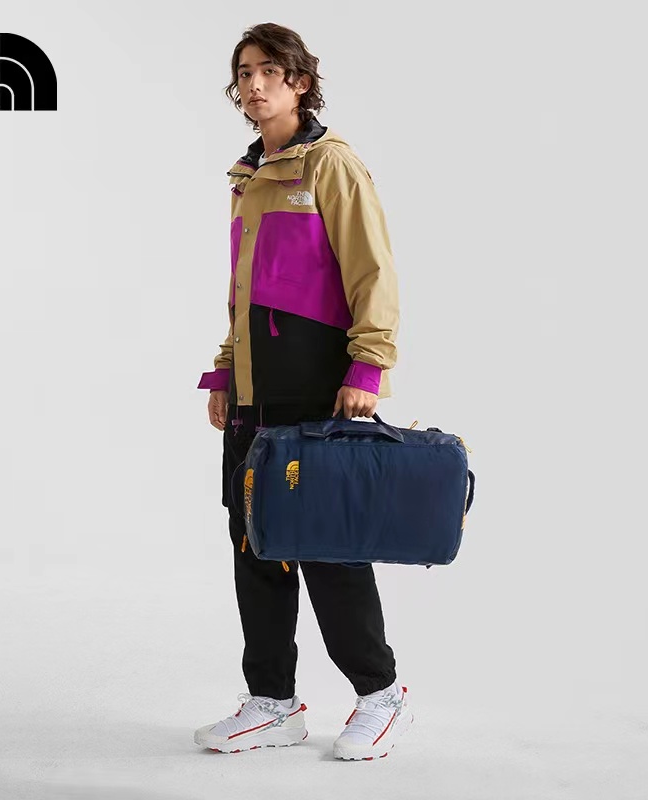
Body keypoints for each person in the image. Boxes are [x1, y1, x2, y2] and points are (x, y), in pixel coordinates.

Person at [193, 23, 412, 762]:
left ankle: (381, 695)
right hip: (256, 392)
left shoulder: (332, 166)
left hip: (318, 384)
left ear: (301, 82)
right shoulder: (248, 174)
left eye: (270, 71)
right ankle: (273, 703)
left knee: (328, 545)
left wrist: (367, 369)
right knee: (255, 541)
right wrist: (227, 370)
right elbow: (244, 291)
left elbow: (372, 272)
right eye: (244, 73)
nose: (255, 84)